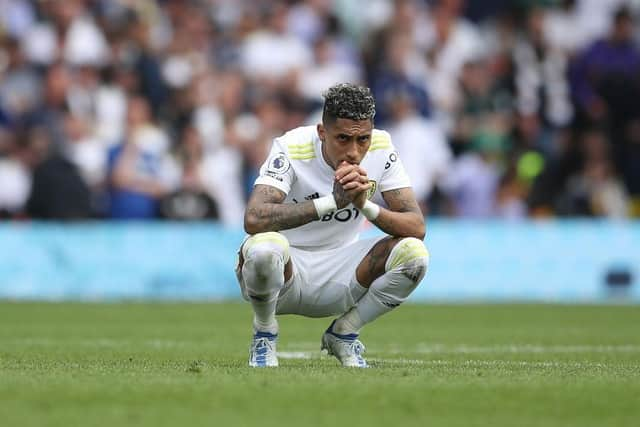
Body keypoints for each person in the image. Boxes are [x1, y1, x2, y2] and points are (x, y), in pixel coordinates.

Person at [235, 83, 430, 368]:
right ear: (322, 132)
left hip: (343, 272)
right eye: (343, 139)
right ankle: (264, 334)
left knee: (415, 255)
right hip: (284, 273)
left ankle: (345, 332)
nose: (354, 151)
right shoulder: (292, 147)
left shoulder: (381, 147)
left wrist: (365, 205)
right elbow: (254, 218)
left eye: (363, 139)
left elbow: (416, 225)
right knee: (265, 248)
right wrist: (330, 203)